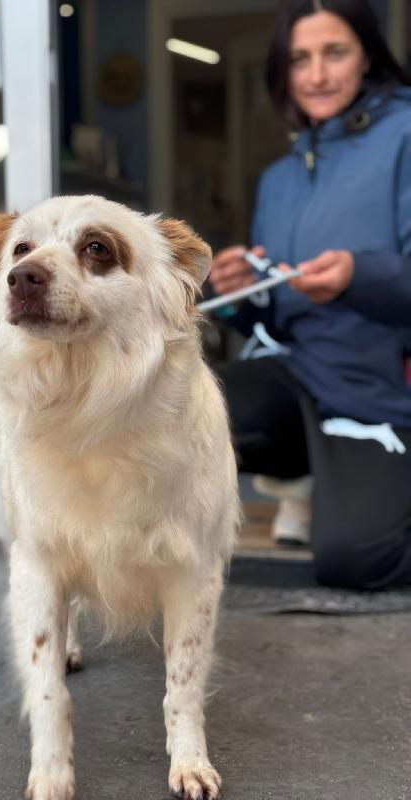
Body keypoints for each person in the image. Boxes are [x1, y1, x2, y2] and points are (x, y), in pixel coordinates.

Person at [209, 0, 411, 590]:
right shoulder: (280, 177)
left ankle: (369, 487)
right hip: (296, 377)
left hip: (376, 393)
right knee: (177, 405)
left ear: (368, 56)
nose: (316, 75)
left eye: (335, 53)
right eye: (300, 58)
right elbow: (283, 311)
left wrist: (359, 275)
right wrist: (244, 295)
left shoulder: (405, 135)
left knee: (355, 559)